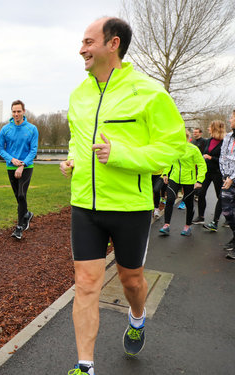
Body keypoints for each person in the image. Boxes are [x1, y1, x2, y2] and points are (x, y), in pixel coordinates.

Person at [60, 17, 186, 375]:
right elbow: (77, 138)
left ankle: (137, 315)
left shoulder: (148, 92)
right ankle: (85, 366)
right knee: (85, 284)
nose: (81, 49)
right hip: (85, 204)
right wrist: (73, 160)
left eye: (88, 41)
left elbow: (171, 148)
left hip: (129, 207)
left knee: (131, 281)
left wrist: (120, 156)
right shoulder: (78, 94)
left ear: (112, 44)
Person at [0, 100, 38, 240]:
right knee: (18, 197)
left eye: (19, 111)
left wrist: (22, 165)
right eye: (14, 111)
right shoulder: (5, 129)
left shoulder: (32, 129)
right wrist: (12, 160)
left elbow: (33, 150)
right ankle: (27, 214)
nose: (16, 114)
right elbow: (0, 148)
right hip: (11, 166)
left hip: (27, 167)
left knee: (21, 195)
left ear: (24, 112)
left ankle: (20, 227)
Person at [159, 130, 206, 236]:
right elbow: (169, 161)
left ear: (186, 137)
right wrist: (165, 173)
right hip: (174, 178)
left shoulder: (193, 149)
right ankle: (166, 225)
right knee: (170, 200)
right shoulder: (174, 149)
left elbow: (202, 165)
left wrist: (199, 180)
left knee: (189, 203)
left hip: (188, 180)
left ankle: (187, 226)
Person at [192, 120, 226, 231]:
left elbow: (225, 160)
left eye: (210, 127)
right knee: (201, 193)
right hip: (207, 172)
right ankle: (201, 217)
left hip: (218, 173)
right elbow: (205, 153)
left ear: (215, 128)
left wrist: (211, 158)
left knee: (220, 197)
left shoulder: (225, 142)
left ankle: (222, 219)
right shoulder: (209, 140)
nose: (208, 129)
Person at [219, 110, 235, 259]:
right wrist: (225, 175)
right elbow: (223, 157)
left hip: (234, 179)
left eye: (232, 117)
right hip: (227, 179)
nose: (230, 120)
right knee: (227, 211)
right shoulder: (228, 137)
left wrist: (233, 178)